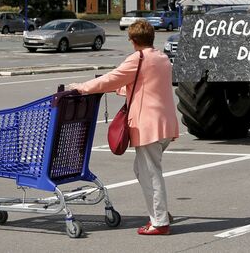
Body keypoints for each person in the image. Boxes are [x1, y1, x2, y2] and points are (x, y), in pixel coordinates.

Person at [68, 20, 179, 235]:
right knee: (143, 169)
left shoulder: (138, 59)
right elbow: (145, 85)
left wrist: (82, 88)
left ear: (133, 40)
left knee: (149, 173)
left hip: (148, 125)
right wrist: (122, 90)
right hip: (165, 123)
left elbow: (111, 79)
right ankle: (161, 213)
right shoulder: (161, 58)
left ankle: (159, 222)